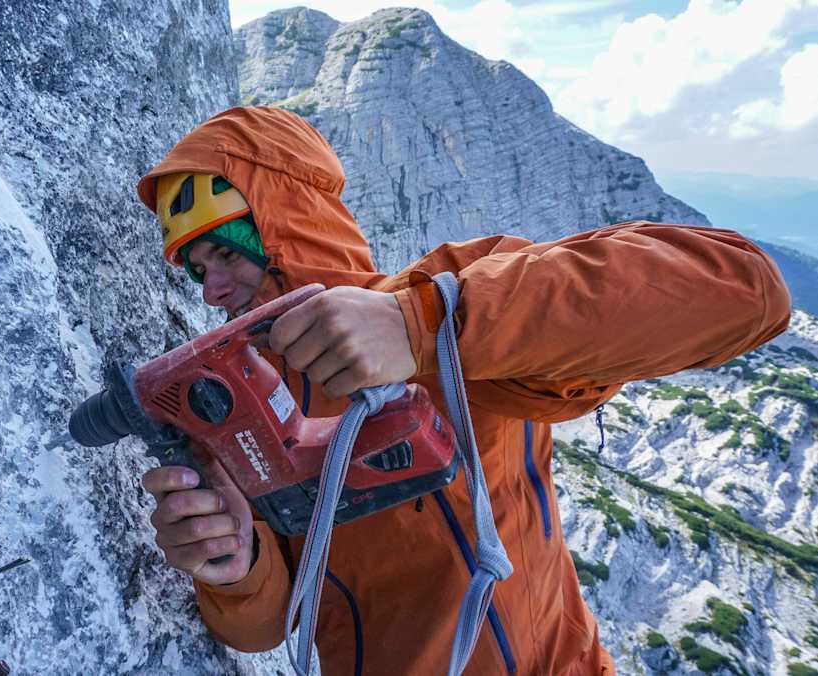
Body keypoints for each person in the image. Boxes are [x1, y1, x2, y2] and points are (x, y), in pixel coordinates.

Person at [133, 106, 791, 675]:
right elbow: (268, 626)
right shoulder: (241, 403)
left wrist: (423, 324)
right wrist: (235, 565)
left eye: (224, 252)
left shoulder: (448, 300)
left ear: (284, 223)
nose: (210, 291)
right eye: (196, 271)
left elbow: (746, 291)